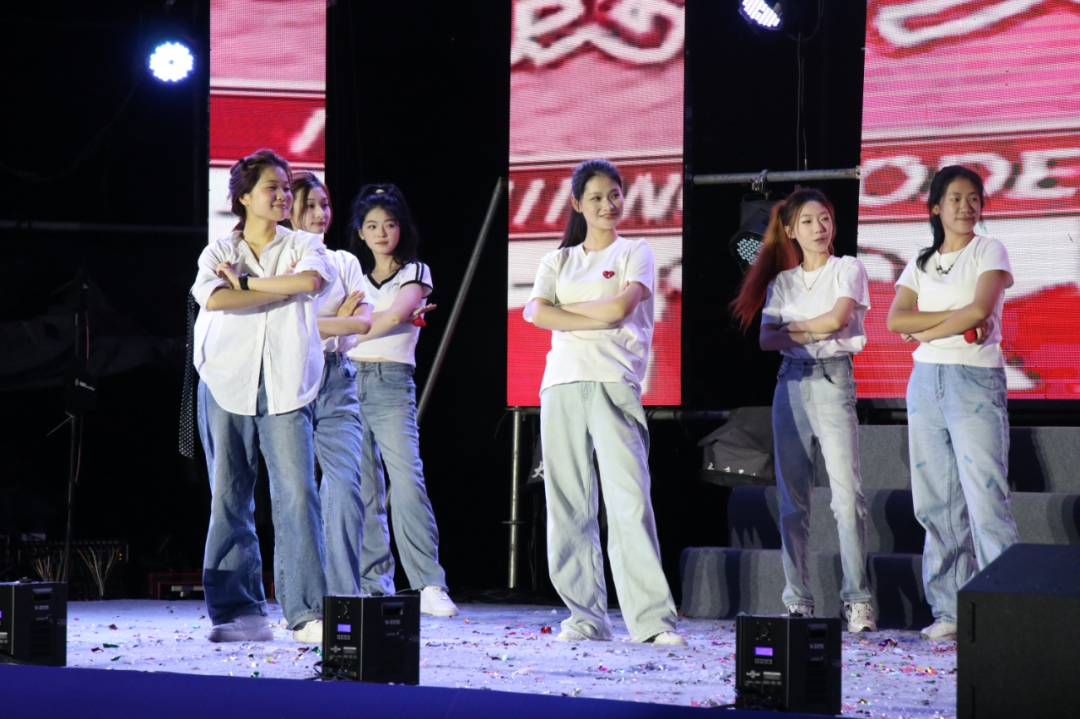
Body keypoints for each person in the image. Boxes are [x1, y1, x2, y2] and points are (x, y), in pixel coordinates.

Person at [524, 159, 684, 645]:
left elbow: (619, 309)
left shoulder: (635, 251)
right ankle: (586, 618)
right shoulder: (558, 261)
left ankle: (652, 622)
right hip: (561, 384)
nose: (607, 204)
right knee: (568, 505)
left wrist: (564, 311)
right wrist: (580, 314)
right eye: (596, 197)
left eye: (614, 195)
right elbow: (535, 313)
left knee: (629, 502)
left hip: (614, 381)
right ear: (577, 203)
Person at [191, 149, 332, 643]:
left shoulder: (305, 244)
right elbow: (216, 298)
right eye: (273, 187)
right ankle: (239, 612)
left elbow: (309, 281)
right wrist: (279, 289)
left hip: (286, 383)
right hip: (226, 379)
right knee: (229, 496)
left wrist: (249, 283)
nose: (283, 195)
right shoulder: (218, 251)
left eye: (286, 186)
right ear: (245, 197)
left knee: (297, 494)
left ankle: (307, 612)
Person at [731, 188, 877, 632]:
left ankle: (857, 600)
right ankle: (798, 599)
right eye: (808, 222)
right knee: (792, 501)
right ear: (791, 230)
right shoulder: (783, 282)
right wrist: (810, 331)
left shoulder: (847, 269)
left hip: (833, 380)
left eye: (825, 219)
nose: (819, 228)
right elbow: (765, 339)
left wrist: (794, 330)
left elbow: (837, 320)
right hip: (790, 383)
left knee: (846, 497)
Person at [886, 165, 1018, 641]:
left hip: (973, 380)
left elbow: (980, 309)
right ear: (935, 207)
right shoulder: (921, 262)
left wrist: (923, 326)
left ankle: (1004, 608)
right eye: (956, 199)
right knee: (936, 503)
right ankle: (950, 609)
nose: (966, 206)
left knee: (985, 498)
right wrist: (948, 321)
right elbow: (894, 320)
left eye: (974, 198)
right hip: (925, 381)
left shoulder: (989, 250)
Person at [344, 184, 458, 617]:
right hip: (348, 380)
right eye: (372, 225)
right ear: (360, 231)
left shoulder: (415, 271)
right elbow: (352, 318)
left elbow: (394, 315)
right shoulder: (352, 276)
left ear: (401, 228)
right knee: (363, 487)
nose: (381, 233)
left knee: (407, 479)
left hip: (391, 382)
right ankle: (375, 582)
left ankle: (428, 583)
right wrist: (345, 328)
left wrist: (346, 329)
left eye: (389, 225)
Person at [286, 172, 372, 597]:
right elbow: (284, 329)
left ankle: (344, 596)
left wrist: (319, 323)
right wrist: (337, 319)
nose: (321, 213)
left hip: (337, 374)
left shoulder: (344, 262)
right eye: (309, 205)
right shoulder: (281, 262)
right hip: (291, 373)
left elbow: (363, 322)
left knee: (345, 484)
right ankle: (303, 600)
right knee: (296, 491)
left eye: (324, 204)